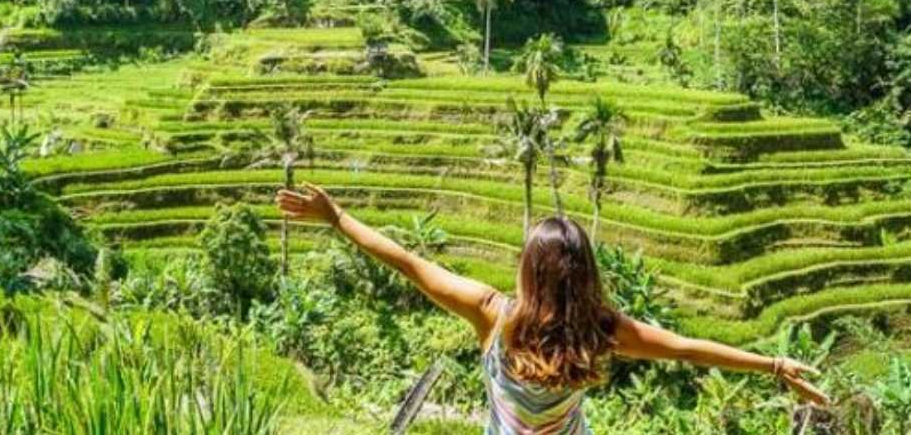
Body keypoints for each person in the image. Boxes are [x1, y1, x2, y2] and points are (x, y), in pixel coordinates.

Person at [277, 183, 829, 434]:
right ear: (584, 271)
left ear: (528, 270)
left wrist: (337, 218)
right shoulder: (602, 330)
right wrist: (776, 367)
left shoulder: (492, 314)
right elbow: (689, 350)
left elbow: (408, 262)